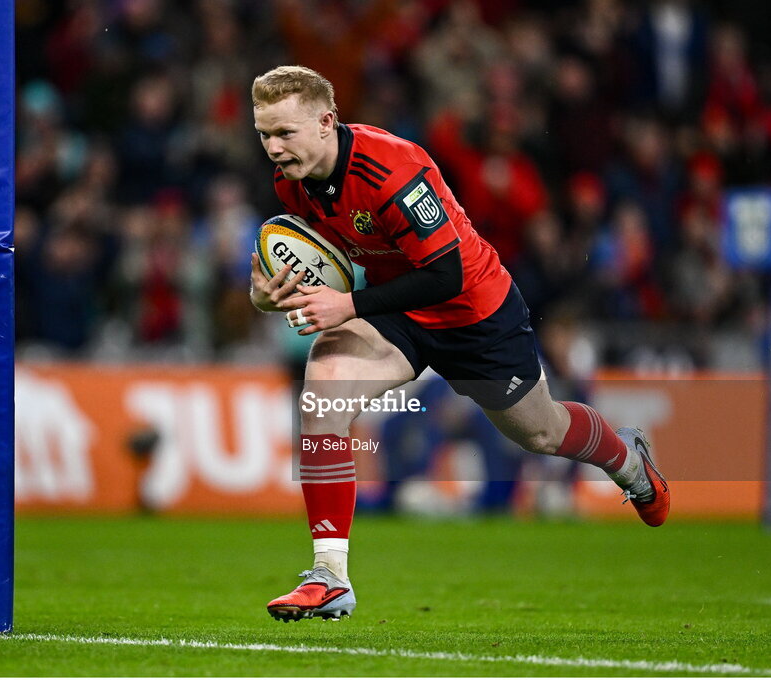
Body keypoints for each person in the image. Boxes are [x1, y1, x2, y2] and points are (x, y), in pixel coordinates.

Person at [248, 66, 669, 622]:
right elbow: (327, 260)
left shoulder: (390, 167)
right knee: (324, 393)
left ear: (326, 122)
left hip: (476, 313)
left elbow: (445, 275)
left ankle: (628, 461)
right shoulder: (291, 183)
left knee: (541, 432)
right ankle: (330, 576)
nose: (273, 148)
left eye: (285, 133)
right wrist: (266, 294)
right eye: (263, 135)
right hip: (396, 311)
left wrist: (345, 306)